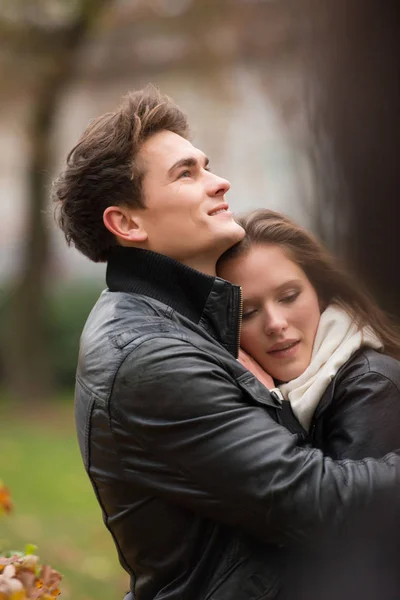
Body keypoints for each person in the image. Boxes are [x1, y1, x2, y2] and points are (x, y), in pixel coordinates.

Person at [52, 86, 400, 600]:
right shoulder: (149, 355)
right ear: (126, 223)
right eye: (186, 174)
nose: (220, 183)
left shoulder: (178, 324)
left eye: (205, 165)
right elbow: (314, 501)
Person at [217, 208, 400, 459]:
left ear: (320, 293)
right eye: (247, 312)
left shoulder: (372, 385)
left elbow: (323, 495)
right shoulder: (229, 393)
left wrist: (274, 408)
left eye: (289, 297)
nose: (275, 323)